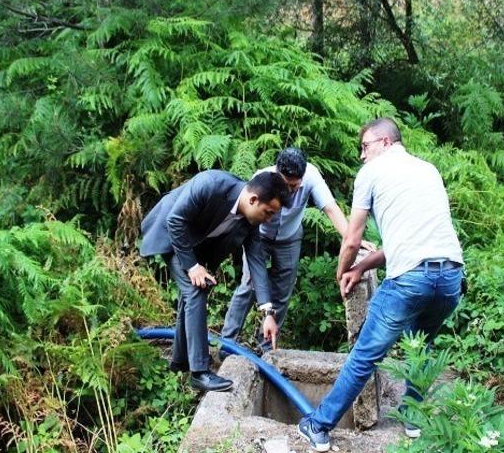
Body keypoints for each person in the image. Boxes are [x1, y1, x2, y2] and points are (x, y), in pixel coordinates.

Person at [297, 118, 465, 451]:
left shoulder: (371, 173)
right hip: (451, 276)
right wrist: (362, 267)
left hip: (410, 280)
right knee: (422, 346)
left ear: (385, 142)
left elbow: (352, 237)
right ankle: (413, 421)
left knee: (365, 355)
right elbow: (407, 244)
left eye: (365, 147)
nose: (361, 156)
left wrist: (343, 270)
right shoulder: (428, 170)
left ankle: (318, 426)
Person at [140, 170, 290, 392]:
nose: (268, 219)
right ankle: (199, 373)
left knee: (190, 297)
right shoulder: (210, 184)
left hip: (196, 242)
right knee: (195, 290)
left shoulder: (249, 220)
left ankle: (180, 362)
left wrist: (268, 312)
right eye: (268, 213)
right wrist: (192, 267)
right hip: (171, 232)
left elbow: (257, 261)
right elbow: (175, 220)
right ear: (253, 199)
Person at [220, 147, 370, 353]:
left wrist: (350, 236)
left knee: (282, 292)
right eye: (287, 185)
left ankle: (266, 349)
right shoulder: (262, 178)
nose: (291, 191)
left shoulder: (311, 176)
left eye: (295, 186)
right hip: (259, 237)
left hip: (289, 239)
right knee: (249, 286)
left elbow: (331, 208)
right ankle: (227, 344)